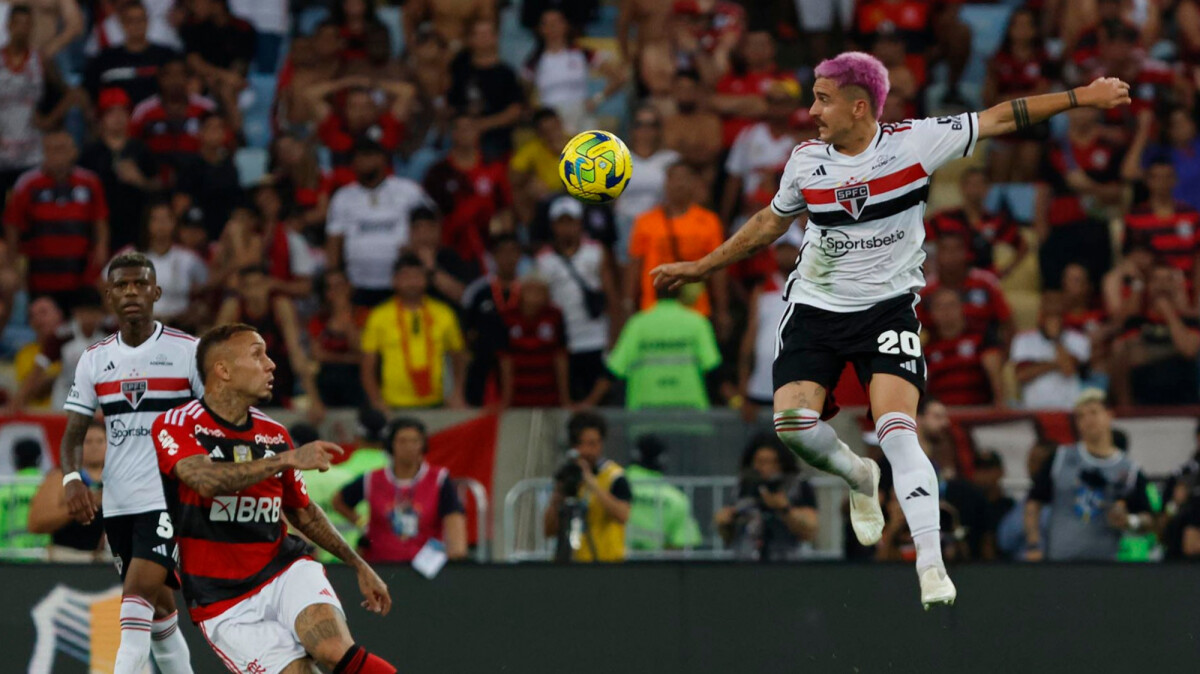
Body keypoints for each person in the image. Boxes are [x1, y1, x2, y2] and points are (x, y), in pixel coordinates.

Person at [651, 51, 1131, 606]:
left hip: (887, 309)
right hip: (815, 308)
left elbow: (1003, 116)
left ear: (859, 107)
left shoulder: (915, 143)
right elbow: (769, 223)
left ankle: (931, 563)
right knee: (791, 427)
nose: (812, 111)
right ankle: (859, 476)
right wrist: (701, 265)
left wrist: (1082, 96)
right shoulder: (806, 162)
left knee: (899, 429)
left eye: (822, 99)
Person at [151, 323, 396, 672]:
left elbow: (304, 512)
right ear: (222, 370)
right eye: (257, 355)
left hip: (284, 569)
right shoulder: (177, 424)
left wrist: (358, 564)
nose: (271, 364)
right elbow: (204, 480)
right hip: (221, 599)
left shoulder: (273, 434)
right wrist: (284, 460)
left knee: (331, 647)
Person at [59, 252, 200, 673]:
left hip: (168, 496)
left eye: (140, 284)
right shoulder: (94, 359)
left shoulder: (189, 352)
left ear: (156, 292)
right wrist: (72, 478)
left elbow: (216, 419)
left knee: (136, 598)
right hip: (118, 502)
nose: (132, 292)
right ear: (109, 296)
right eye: (122, 286)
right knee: (158, 613)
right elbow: (74, 434)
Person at [1024, 389, 1154, 562]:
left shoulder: (1129, 470)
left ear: (1109, 415)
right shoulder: (1060, 458)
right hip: (1060, 562)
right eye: (1081, 416)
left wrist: (1129, 521)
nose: (1088, 420)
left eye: (1093, 412)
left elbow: (1148, 519)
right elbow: (1034, 502)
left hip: (1105, 566)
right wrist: (1034, 545)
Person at [333, 417, 468, 563]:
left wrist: (456, 553)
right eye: (402, 441)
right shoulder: (373, 478)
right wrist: (362, 524)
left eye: (415, 441)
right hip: (381, 563)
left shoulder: (439, 479)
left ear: (423, 445)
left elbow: (454, 517)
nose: (409, 447)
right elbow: (339, 501)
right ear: (391, 445)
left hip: (424, 566)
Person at [4, 131, 110, 311]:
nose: (57, 155)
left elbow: (100, 221)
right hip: (40, 277)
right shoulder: (27, 184)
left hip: (80, 276)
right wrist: (13, 265)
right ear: (44, 153)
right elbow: (12, 227)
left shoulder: (90, 182)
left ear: (74, 152)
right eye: (51, 150)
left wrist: (101, 249)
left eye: (62, 149)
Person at [326, 140, 435, 308]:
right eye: (359, 157)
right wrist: (333, 273)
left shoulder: (407, 190)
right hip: (357, 283)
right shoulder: (343, 196)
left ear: (383, 159)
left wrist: (419, 247)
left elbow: (433, 220)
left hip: (402, 282)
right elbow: (334, 239)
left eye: (369, 155)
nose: (364, 162)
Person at [627, 161, 729, 331]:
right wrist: (628, 303)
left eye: (684, 178)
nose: (679, 183)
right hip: (653, 309)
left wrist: (722, 310)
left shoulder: (709, 221)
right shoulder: (645, 221)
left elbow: (718, 269)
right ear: (666, 183)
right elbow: (634, 266)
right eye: (674, 178)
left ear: (694, 183)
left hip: (695, 310)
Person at [536, 195, 617, 407]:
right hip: (563, 341)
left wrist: (613, 337)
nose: (566, 228)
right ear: (553, 225)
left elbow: (610, 296)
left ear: (580, 223)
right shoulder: (544, 260)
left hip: (594, 338)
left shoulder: (595, 252)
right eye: (561, 222)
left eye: (570, 221)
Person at [360, 253, 468, 410]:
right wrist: (376, 400)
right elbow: (368, 364)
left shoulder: (444, 313)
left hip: (436, 403)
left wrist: (458, 393)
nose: (412, 282)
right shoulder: (379, 316)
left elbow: (458, 356)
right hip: (393, 405)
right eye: (406, 277)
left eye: (417, 276)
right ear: (394, 281)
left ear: (426, 280)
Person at [216, 266, 323, 420]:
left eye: (259, 285)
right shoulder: (233, 307)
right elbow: (215, 353)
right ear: (242, 290)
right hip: (243, 381)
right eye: (249, 286)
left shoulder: (281, 306)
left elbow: (296, 353)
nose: (255, 291)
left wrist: (315, 400)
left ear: (269, 285)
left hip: (277, 377)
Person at [607, 285, 721, 410]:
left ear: (654, 292)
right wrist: (737, 401)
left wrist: (589, 402)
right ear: (681, 292)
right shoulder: (697, 322)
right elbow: (713, 367)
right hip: (689, 410)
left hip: (645, 410)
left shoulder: (637, 324)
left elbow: (615, 368)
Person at [79, 88, 162, 252]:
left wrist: (140, 181)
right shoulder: (90, 154)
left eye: (122, 111)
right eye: (111, 112)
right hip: (100, 229)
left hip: (137, 227)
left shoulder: (141, 149)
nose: (118, 117)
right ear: (101, 118)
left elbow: (159, 187)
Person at [543, 411, 632, 562]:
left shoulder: (614, 476)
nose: (588, 451)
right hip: (572, 562)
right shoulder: (567, 477)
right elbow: (549, 530)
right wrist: (558, 496)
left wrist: (592, 484)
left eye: (593, 444)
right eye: (582, 444)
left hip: (607, 561)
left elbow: (622, 515)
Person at [715, 433, 819, 562]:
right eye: (760, 461)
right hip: (746, 557)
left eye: (771, 462)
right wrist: (726, 520)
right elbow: (726, 534)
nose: (765, 468)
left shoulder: (798, 486)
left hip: (785, 559)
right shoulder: (744, 485)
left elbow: (810, 528)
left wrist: (784, 509)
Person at [1110, 262, 1200, 406]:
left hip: (1185, 405)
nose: (1162, 285)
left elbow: (1188, 350)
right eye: (1156, 280)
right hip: (1142, 406)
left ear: (1177, 285)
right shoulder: (1135, 321)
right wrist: (1173, 350)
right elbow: (1129, 357)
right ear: (1148, 286)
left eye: (1168, 279)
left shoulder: (1189, 321)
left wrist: (1168, 312)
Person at [109, 199, 208, 326]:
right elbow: (103, 282)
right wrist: (117, 315)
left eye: (166, 219)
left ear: (174, 223)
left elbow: (207, 284)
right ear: (147, 224)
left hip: (178, 326)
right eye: (156, 219)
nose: (161, 225)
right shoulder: (130, 255)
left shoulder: (188, 258)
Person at [28, 419, 107, 562]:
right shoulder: (60, 477)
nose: (94, 446)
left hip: (109, 560)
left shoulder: (119, 478)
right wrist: (80, 505)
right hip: (66, 557)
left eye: (100, 441)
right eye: (87, 441)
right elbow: (36, 523)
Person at [924, 168, 1026, 277]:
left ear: (987, 188)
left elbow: (1022, 246)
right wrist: (927, 266)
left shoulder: (997, 221)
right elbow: (918, 241)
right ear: (962, 187)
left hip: (983, 280)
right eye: (971, 184)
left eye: (980, 184)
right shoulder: (943, 218)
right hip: (948, 279)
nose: (975, 189)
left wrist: (1005, 271)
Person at [448, 19, 524, 161]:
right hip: (460, 136)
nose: (483, 38)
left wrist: (482, 125)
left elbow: (515, 111)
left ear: (495, 38)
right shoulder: (460, 71)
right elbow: (451, 105)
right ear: (470, 39)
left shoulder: (506, 73)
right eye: (479, 34)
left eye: (487, 33)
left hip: (495, 137)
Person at [461, 233, 522, 405]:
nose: (508, 258)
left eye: (513, 252)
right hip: (484, 369)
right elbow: (468, 332)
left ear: (520, 255)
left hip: (521, 369)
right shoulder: (478, 291)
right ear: (494, 256)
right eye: (503, 253)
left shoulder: (530, 290)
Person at [919, 233, 1014, 342]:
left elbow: (1008, 324)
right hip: (938, 355)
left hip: (982, 352)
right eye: (945, 250)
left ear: (966, 253)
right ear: (937, 255)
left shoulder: (986, 283)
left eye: (956, 250)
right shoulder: (925, 291)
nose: (951, 256)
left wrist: (1004, 356)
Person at [83, 1, 180, 106]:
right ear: (122, 24)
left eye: (140, 20)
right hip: (118, 117)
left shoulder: (166, 56)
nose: (136, 25)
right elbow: (87, 91)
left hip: (156, 116)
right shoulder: (105, 59)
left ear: (147, 21)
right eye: (131, 20)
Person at [924, 287, 1006, 408]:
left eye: (951, 305)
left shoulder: (981, 338)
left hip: (978, 413)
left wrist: (999, 406)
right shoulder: (927, 349)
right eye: (939, 306)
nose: (946, 311)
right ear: (932, 313)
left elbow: (995, 373)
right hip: (942, 416)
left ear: (962, 307)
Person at [1011, 292, 1090, 410]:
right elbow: (1022, 374)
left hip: (1070, 409)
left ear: (1063, 317)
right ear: (1040, 316)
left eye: (1056, 315)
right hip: (1034, 409)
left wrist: (1056, 339)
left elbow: (1068, 369)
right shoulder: (1023, 339)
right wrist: (1055, 363)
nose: (1052, 320)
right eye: (1048, 315)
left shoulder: (1078, 340)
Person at [624, 435, 703, 552]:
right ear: (663, 460)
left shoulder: (610, 488)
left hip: (609, 565)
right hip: (657, 568)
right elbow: (682, 544)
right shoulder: (677, 499)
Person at [0, 438, 48, 551]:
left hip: (8, 556)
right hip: (44, 557)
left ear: (14, 460)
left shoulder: (5, 491)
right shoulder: (49, 490)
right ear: (40, 459)